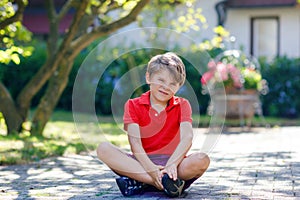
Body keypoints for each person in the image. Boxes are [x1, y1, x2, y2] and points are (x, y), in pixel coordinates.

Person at [97, 52, 210, 197]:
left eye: (172, 84)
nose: (166, 87)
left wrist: (171, 164)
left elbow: (187, 137)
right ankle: (165, 184)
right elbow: (135, 143)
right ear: (148, 77)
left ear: (178, 86)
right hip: (141, 164)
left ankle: (141, 183)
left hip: (174, 166)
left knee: (202, 160)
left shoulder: (182, 105)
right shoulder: (133, 105)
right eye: (161, 80)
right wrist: (151, 169)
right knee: (103, 149)